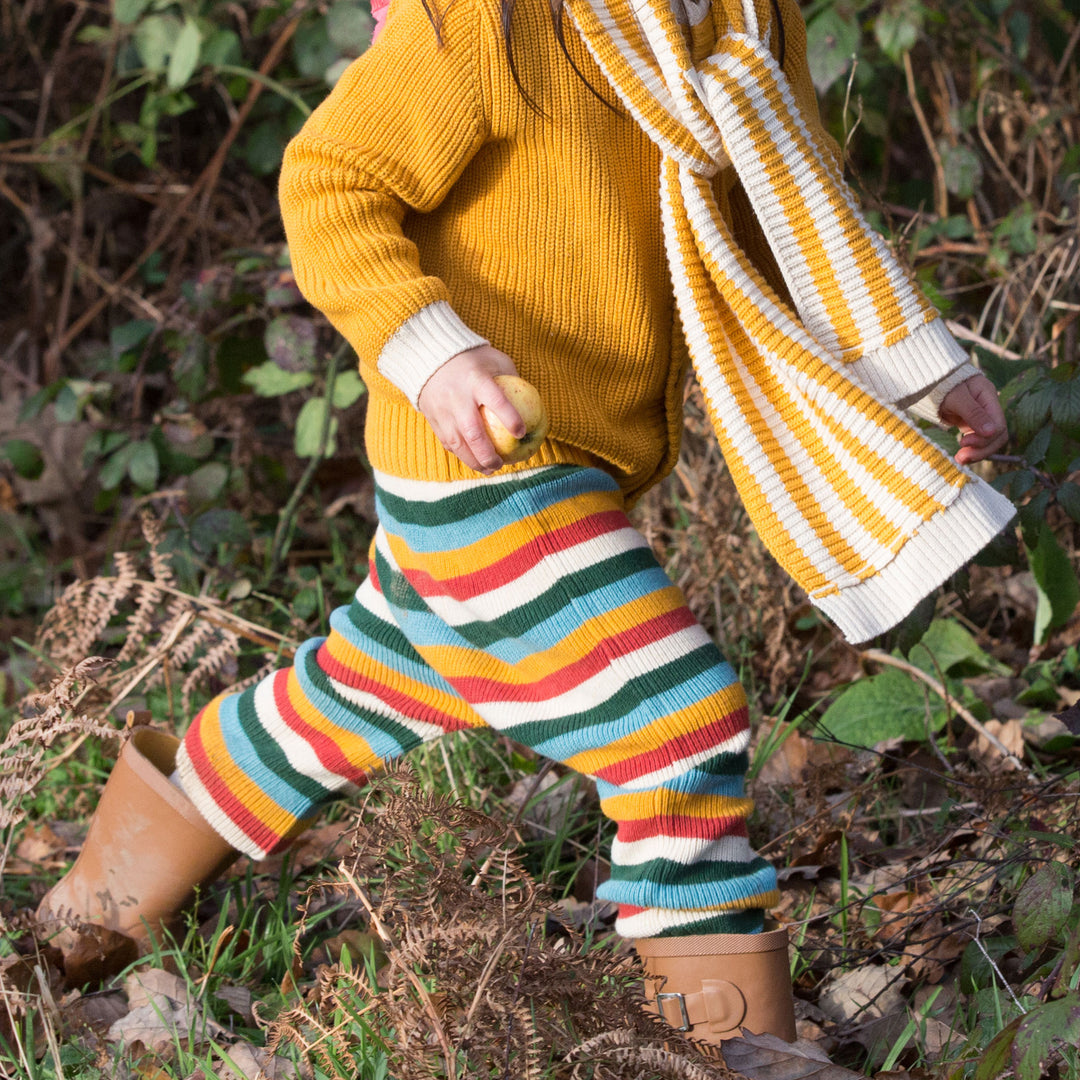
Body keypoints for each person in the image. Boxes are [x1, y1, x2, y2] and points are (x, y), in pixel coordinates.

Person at [39, 0, 1013, 1046]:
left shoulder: (744, 15)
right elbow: (331, 180)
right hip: (480, 464)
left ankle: (89, 913)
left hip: (579, 460)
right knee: (675, 722)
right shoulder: (489, 23)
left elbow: (789, 210)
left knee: (365, 683)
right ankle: (729, 1051)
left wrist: (922, 368)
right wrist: (433, 346)